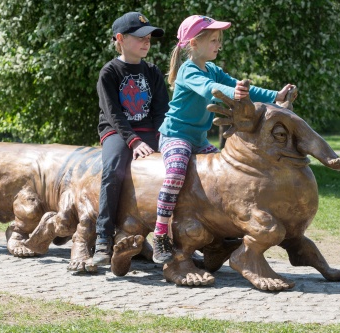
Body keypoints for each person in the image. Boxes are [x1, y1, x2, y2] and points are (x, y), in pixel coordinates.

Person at [153, 15, 296, 264]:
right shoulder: (189, 71)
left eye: (219, 40)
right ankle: (161, 232)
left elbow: (237, 86)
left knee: (225, 175)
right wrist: (234, 92)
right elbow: (210, 89)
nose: (218, 45)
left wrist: (276, 94)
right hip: (176, 136)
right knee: (176, 173)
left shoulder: (213, 69)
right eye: (213, 40)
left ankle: (221, 234)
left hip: (198, 138)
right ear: (194, 44)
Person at [93, 12, 170, 265]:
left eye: (148, 38)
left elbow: (161, 111)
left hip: (150, 130)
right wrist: (133, 142)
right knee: (113, 171)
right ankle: (103, 238)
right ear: (120, 39)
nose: (146, 42)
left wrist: (165, 140)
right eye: (139, 37)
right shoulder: (110, 72)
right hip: (117, 131)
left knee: (179, 164)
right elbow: (113, 113)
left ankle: (172, 238)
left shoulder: (153, 71)